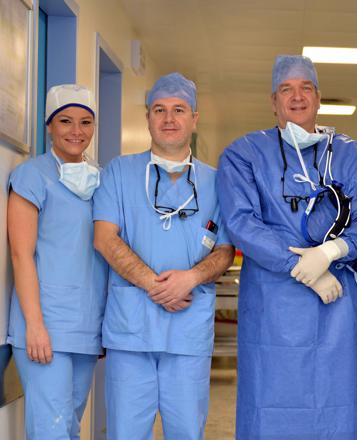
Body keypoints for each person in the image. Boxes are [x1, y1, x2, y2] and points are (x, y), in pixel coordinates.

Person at [217, 55, 357, 439]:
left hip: (337, 306)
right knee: (272, 405)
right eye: (286, 89)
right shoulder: (244, 155)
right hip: (272, 309)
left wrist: (330, 252)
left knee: (337, 404)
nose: (297, 97)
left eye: (305, 88)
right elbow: (242, 222)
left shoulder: (350, 157)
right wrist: (303, 269)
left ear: (319, 98)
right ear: (273, 101)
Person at [92, 73, 234, 440]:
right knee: (125, 432)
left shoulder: (217, 182)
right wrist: (156, 286)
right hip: (131, 331)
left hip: (187, 334)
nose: (169, 118)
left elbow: (225, 250)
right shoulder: (119, 172)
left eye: (179, 110)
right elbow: (104, 239)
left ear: (194, 119)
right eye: (159, 110)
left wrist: (190, 279)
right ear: (147, 117)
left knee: (187, 431)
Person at [6, 84, 107, 439]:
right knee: (51, 431)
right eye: (65, 121)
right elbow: (21, 254)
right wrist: (34, 325)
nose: (76, 131)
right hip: (45, 325)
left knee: (68, 427)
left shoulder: (100, 180)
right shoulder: (32, 176)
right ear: (49, 125)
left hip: (85, 326)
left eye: (85, 122)